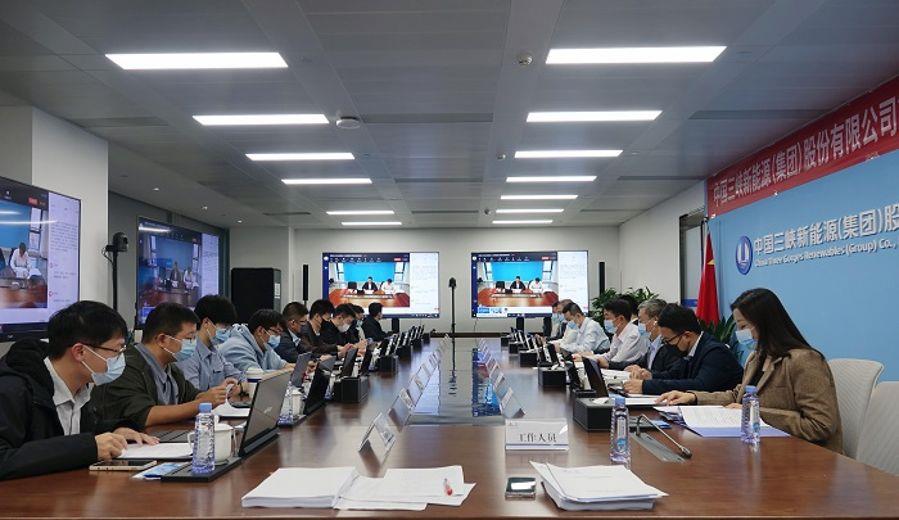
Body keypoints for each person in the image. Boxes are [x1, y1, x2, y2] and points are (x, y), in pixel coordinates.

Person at [658, 288, 843, 452]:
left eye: (743, 326)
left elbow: (820, 426)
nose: (740, 333)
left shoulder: (804, 361)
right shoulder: (756, 357)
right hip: (763, 450)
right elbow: (737, 396)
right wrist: (693, 397)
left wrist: (753, 413)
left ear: (765, 323)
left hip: (805, 457)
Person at [0, 301, 156, 480]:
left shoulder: (81, 385)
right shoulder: (14, 389)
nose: (121, 358)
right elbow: (4, 459)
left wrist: (114, 430)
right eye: (116, 350)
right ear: (80, 352)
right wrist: (88, 447)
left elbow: (72, 435)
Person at [91, 303, 234, 430]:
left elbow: (192, 396)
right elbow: (145, 415)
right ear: (162, 339)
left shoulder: (170, 368)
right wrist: (202, 403)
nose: (193, 344)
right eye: (189, 338)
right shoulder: (126, 366)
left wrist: (217, 394)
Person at [623, 304, 742, 395]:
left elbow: (700, 385)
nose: (667, 345)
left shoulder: (715, 352)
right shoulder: (689, 350)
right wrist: (650, 376)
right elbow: (675, 374)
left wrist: (646, 387)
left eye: (668, 340)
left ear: (687, 336)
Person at [177, 295, 242, 391]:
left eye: (229, 327)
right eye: (224, 326)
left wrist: (241, 386)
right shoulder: (188, 353)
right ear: (206, 322)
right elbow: (193, 396)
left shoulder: (214, 351)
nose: (227, 331)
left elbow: (237, 376)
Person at [577, 299, 645, 367]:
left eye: (607, 318)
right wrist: (585, 358)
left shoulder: (633, 335)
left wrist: (594, 360)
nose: (605, 321)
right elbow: (609, 355)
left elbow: (617, 361)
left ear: (621, 319)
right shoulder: (617, 334)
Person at [617, 299, 680, 372]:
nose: (639, 325)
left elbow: (668, 375)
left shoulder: (668, 345)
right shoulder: (652, 343)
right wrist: (609, 364)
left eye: (641, 321)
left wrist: (643, 372)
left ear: (655, 320)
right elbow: (638, 364)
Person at [219, 309, 291, 372]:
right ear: (260, 330)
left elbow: (283, 365)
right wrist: (285, 372)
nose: (278, 337)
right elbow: (255, 377)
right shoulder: (237, 347)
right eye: (276, 332)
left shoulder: (264, 346)